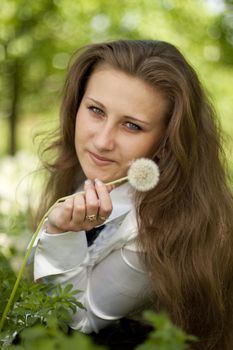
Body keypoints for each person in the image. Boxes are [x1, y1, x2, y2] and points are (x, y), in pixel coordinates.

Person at [30, 39, 233, 350]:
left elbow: (80, 318)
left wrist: (60, 233)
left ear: (167, 141)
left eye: (132, 126)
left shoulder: (160, 228)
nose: (102, 141)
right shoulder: (90, 173)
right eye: (96, 110)